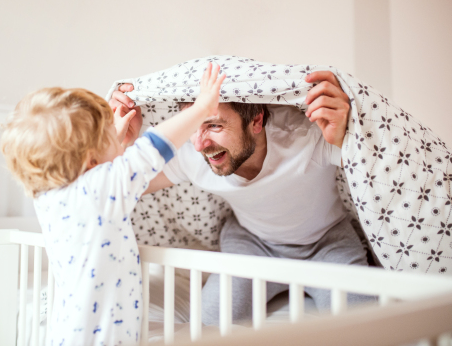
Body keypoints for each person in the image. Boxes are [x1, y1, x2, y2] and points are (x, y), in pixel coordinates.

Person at [110, 69, 374, 324]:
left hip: (328, 243)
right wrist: (121, 141)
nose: (201, 144)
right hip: (252, 245)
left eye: (213, 125)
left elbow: (375, 169)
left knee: (365, 328)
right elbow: (117, 185)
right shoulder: (192, 155)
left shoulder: (307, 137)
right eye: (194, 126)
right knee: (209, 328)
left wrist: (348, 137)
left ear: (256, 121)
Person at [0, 64, 226, 345]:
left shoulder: (49, 195)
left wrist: (115, 142)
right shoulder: (97, 191)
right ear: (91, 161)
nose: (116, 136)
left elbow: (97, 171)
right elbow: (153, 148)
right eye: (107, 133)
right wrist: (203, 108)